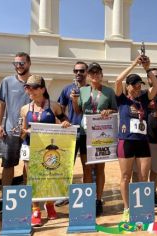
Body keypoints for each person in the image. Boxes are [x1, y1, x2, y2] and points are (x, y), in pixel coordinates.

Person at [19, 75, 71, 227]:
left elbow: (65, 121)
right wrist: (26, 132)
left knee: (50, 176)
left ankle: (49, 204)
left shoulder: (53, 106)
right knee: (32, 178)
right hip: (30, 147)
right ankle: (35, 209)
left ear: (42, 89)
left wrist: (66, 123)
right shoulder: (24, 109)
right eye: (27, 87)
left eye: (34, 87)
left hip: (49, 149)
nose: (30, 90)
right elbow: (22, 132)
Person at [114, 55, 157, 222]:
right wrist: (134, 63)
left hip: (142, 142)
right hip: (126, 141)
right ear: (128, 86)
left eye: (139, 84)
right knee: (125, 176)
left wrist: (147, 68)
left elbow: (156, 85)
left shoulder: (143, 99)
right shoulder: (122, 99)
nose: (138, 87)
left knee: (143, 177)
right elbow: (118, 81)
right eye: (134, 84)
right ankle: (127, 208)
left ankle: (142, 208)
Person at [73, 62, 117, 216]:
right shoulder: (83, 90)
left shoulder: (109, 92)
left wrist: (108, 111)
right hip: (85, 132)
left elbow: (115, 110)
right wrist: (73, 100)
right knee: (86, 168)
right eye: (92, 73)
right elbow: (78, 111)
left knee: (99, 168)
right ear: (88, 76)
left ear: (101, 75)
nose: (95, 75)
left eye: (98, 73)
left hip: (101, 133)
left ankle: (98, 200)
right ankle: (87, 199)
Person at [0, 52, 31, 214]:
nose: (19, 66)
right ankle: (5, 198)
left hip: (29, 132)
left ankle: (25, 198)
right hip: (9, 131)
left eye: (21, 63)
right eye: (16, 63)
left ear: (29, 63)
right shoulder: (6, 82)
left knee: (28, 165)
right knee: (8, 165)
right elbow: (1, 104)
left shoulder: (36, 81)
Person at [131, 68, 157, 207]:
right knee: (137, 171)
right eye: (151, 76)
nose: (155, 78)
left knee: (155, 169)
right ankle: (135, 195)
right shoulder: (140, 95)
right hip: (140, 139)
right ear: (147, 79)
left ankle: (151, 193)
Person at [55, 61, 89, 207]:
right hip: (70, 133)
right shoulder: (67, 89)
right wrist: (62, 124)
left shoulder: (91, 90)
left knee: (87, 166)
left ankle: (87, 194)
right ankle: (64, 195)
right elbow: (59, 110)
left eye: (81, 71)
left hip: (88, 133)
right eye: (76, 71)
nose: (78, 73)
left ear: (87, 72)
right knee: (67, 166)